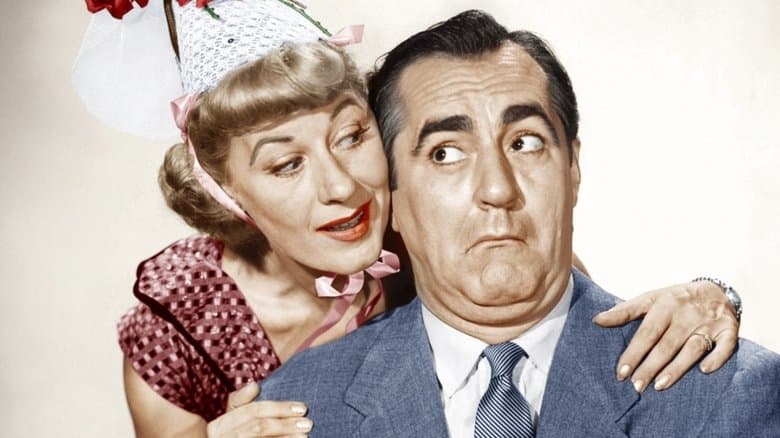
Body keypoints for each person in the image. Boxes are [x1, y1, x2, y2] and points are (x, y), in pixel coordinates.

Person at [74, 1, 741, 437]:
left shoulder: (431, 224)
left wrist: (710, 297)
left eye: (351, 135)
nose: (342, 186)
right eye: (286, 164)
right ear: (225, 191)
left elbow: (573, 321)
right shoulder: (177, 334)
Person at [257, 9, 780, 437]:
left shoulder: (729, 394)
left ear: (572, 169)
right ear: (391, 193)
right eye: (445, 153)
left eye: (525, 143)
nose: (497, 189)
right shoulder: (295, 410)